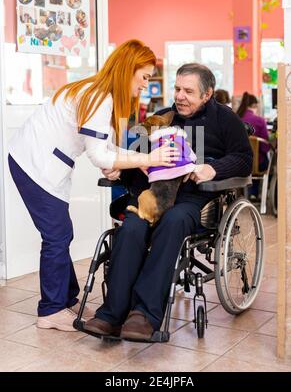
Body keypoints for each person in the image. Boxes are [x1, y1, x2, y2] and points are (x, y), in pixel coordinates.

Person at [8, 39, 179, 332]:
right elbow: (101, 153)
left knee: (62, 233)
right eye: (144, 76)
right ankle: (50, 311)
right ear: (129, 69)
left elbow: (103, 147)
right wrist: (147, 157)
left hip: (39, 162)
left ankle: (66, 299)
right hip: (34, 165)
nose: (145, 85)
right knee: (56, 235)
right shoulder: (101, 97)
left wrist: (130, 160)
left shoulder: (97, 92)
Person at [84, 63, 253, 341]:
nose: (180, 96)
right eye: (177, 89)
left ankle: (144, 314)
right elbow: (134, 155)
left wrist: (212, 169)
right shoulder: (162, 117)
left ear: (207, 94)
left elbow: (244, 159)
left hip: (193, 199)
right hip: (152, 196)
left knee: (174, 222)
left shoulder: (225, 119)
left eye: (188, 91)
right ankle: (111, 314)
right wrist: (118, 167)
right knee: (132, 227)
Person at [236, 91, 270, 198]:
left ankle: (248, 193)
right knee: (267, 162)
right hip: (256, 164)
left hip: (237, 162)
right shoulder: (260, 120)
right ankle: (257, 194)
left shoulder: (235, 119)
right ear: (255, 105)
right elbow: (266, 147)